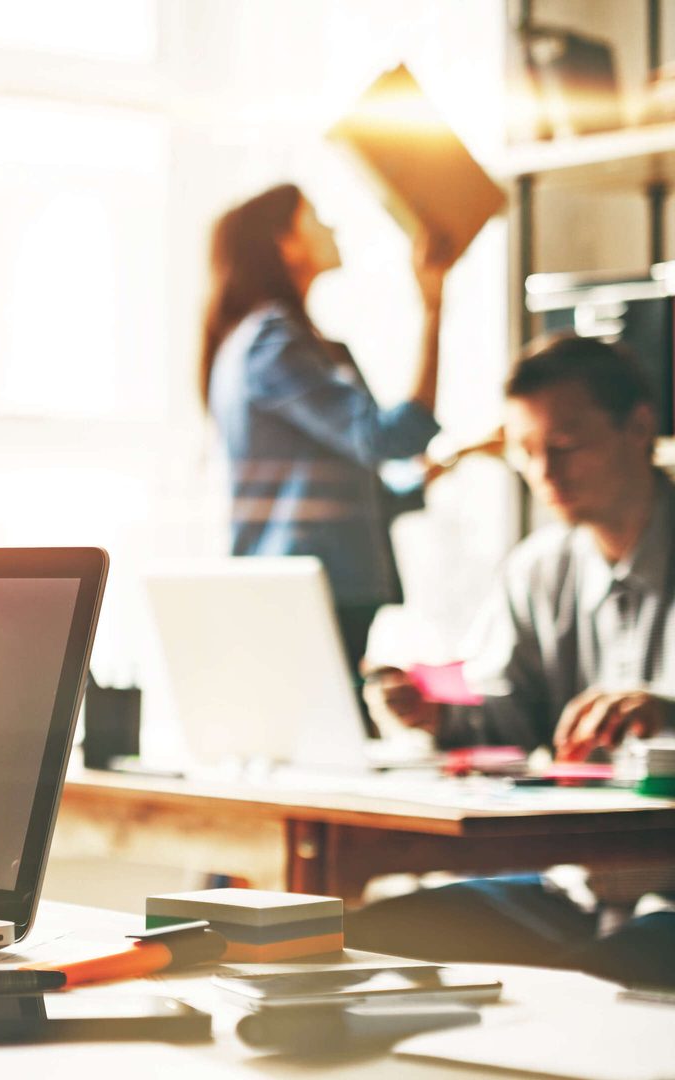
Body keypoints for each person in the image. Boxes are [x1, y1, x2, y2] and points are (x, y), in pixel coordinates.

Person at [355, 334, 674, 986]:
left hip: (667, 893)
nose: (544, 473)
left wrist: (667, 714)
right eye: (525, 452)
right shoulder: (539, 569)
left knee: (584, 987)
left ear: (639, 428)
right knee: (365, 938)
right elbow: (509, 713)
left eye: (566, 445)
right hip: (576, 888)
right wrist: (434, 712)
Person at [201, 183, 458, 681]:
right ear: (285, 243)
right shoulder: (274, 343)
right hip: (312, 587)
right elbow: (387, 439)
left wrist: (441, 466)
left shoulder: (262, 341)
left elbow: (341, 484)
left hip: (299, 587)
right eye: (314, 216)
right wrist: (433, 306)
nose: (331, 226)